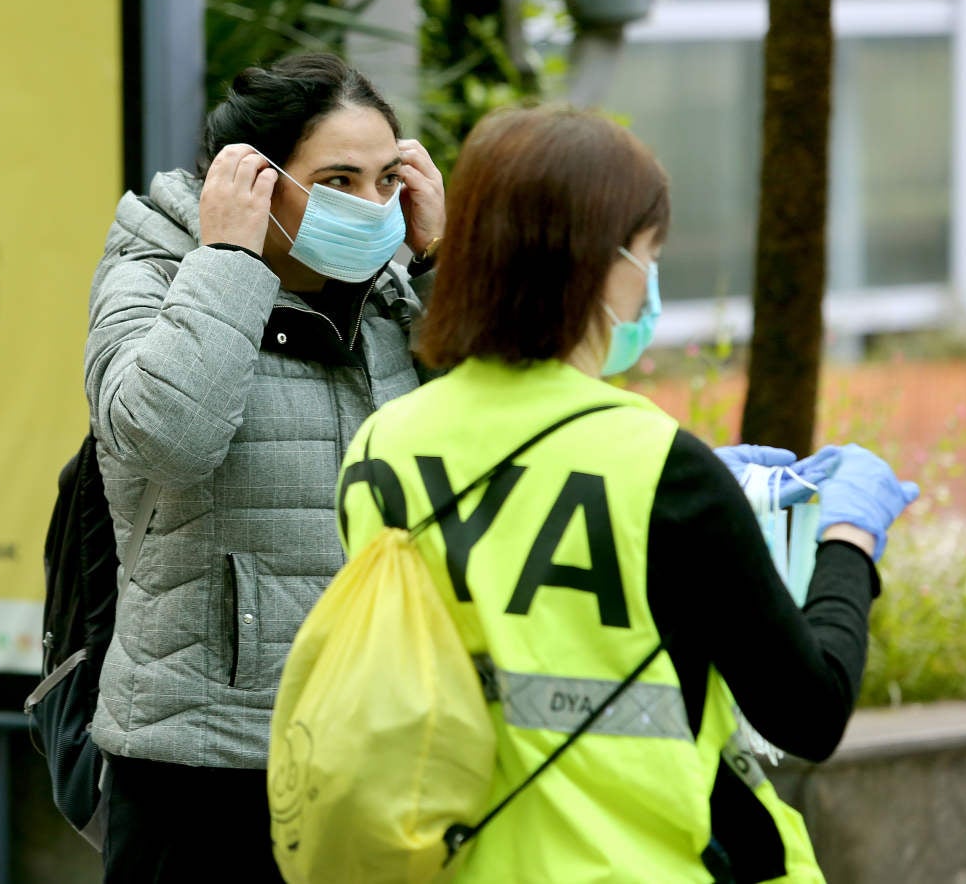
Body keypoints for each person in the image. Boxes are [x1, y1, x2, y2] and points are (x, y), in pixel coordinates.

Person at [336, 106, 918, 883]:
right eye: (647, 254)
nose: (647, 282)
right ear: (601, 263)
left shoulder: (382, 444)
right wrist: (850, 536)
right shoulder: (658, 469)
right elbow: (808, 711)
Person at [83, 53, 445, 881]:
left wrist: (442, 268)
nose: (369, 206)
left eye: (387, 179)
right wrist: (232, 260)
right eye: (338, 180)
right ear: (252, 180)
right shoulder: (157, 271)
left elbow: (492, 459)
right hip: (206, 768)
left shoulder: (398, 302)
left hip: (375, 753)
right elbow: (166, 439)